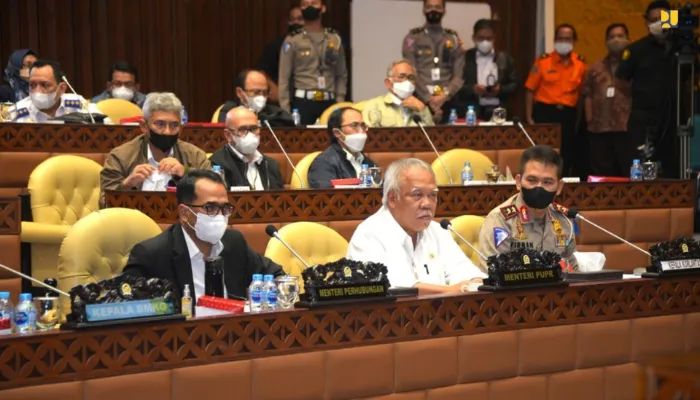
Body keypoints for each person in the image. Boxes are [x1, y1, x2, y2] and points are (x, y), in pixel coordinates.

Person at [122, 170, 284, 302]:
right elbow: (127, 303)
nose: (220, 216)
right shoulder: (151, 254)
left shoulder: (234, 242)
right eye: (211, 208)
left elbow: (276, 275)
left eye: (225, 208)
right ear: (184, 213)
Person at [347, 158, 485, 294]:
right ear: (392, 198)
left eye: (432, 195)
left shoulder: (437, 231)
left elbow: (468, 273)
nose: (427, 204)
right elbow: (398, 291)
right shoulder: (369, 235)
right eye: (417, 195)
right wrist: (451, 290)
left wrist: (474, 282)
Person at [478, 145, 578, 272]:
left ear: (559, 187)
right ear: (518, 182)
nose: (539, 187)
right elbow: (493, 275)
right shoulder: (500, 220)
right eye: (532, 180)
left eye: (547, 182)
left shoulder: (564, 221)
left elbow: (574, 273)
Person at [100, 92, 211, 205]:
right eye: (160, 124)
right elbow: (104, 203)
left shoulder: (195, 156)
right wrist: (126, 185)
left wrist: (186, 172)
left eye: (174, 125)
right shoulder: (120, 156)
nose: (167, 131)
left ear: (181, 129)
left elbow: (215, 194)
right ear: (144, 126)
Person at [616, 0, 677, 178]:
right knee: (642, 166)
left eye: (662, 18)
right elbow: (621, 81)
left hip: (675, 118)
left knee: (673, 167)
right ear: (647, 22)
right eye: (653, 19)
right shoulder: (637, 49)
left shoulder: (681, 48)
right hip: (644, 119)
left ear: (672, 20)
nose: (658, 22)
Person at [525, 24, 587, 177]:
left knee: (565, 155)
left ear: (574, 41)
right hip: (545, 112)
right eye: (560, 38)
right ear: (554, 40)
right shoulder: (543, 61)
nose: (563, 42)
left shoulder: (580, 64)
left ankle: (561, 186)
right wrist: (529, 117)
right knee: (543, 155)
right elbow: (529, 89)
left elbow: (582, 95)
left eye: (567, 39)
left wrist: (578, 120)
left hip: (567, 114)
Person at [278, 0, 348, 125]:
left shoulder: (334, 39)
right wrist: (286, 110)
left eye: (314, 3)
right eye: (305, 4)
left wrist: (339, 102)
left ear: (323, 8)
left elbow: (341, 74)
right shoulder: (293, 39)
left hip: (329, 101)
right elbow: (284, 78)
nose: (309, 7)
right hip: (303, 102)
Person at [402, 0, 465, 123]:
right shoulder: (412, 38)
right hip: (419, 98)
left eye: (437, 7)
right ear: (424, 10)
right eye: (429, 7)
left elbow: (458, 75)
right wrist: (428, 99)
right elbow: (411, 73)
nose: (433, 10)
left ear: (444, 11)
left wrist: (444, 96)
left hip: (448, 100)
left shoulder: (453, 38)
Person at [583, 23, 633, 177]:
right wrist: (590, 119)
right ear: (605, 41)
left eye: (620, 36)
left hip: (626, 128)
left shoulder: (634, 66)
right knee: (602, 174)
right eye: (612, 37)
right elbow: (587, 94)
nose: (616, 40)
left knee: (627, 172)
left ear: (628, 39)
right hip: (600, 129)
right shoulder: (595, 68)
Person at [456, 19, 518, 121]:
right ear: (474, 38)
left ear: (494, 38)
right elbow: (456, 85)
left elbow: (515, 85)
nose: (485, 42)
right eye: (481, 38)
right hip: (472, 112)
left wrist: (500, 89)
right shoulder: (465, 59)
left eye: (489, 38)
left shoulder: (505, 59)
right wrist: (473, 89)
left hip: (498, 112)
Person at [210, 107, 284, 190]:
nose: (250, 135)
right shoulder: (217, 164)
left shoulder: (270, 165)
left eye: (254, 128)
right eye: (242, 129)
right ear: (228, 135)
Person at [10, 59, 106, 123]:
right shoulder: (17, 112)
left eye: (44, 85)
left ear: (61, 89)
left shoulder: (77, 103)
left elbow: (106, 124)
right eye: (32, 85)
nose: (37, 91)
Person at [308, 107, 377, 188]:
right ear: (337, 133)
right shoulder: (323, 163)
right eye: (354, 125)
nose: (361, 131)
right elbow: (325, 197)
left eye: (363, 125)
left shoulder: (369, 163)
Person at [360, 60, 434, 127]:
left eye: (411, 78)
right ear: (388, 83)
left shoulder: (420, 107)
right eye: (402, 77)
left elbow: (432, 137)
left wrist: (423, 110)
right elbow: (368, 136)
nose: (407, 82)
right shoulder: (374, 105)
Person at [256, 6, 305, 104]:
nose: (295, 23)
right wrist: (276, 92)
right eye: (292, 20)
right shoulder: (278, 44)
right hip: (285, 100)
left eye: (300, 19)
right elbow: (262, 71)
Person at [217, 69, 294, 127]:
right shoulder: (229, 111)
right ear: (239, 92)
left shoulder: (276, 113)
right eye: (256, 92)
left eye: (265, 93)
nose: (261, 97)